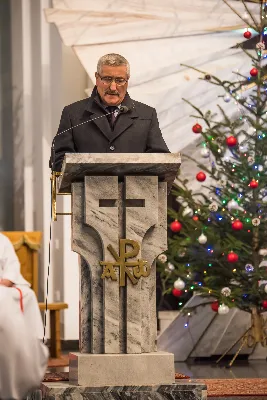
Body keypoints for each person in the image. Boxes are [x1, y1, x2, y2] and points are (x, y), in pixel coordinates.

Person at [53, 53, 169, 171]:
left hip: (134, 189)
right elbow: (59, 161)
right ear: (97, 78)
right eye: (107, 79)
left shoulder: (147, 114)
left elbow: (161, 160)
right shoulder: (73, 114)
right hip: (86, 188)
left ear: (127, 81)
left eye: (119, 80)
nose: (113, 87)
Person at [0, 233, 48, 399]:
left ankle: (32, 340)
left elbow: (12, 266)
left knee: (27, 295)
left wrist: (4, 283)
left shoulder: (2, 240)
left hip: (3, 287)